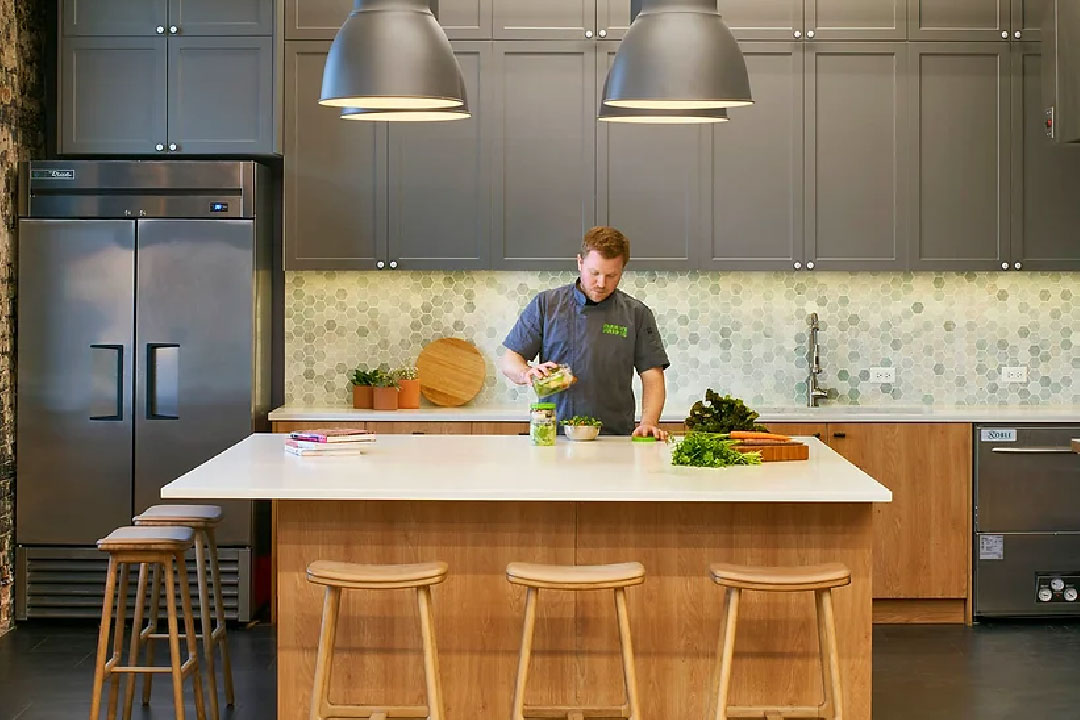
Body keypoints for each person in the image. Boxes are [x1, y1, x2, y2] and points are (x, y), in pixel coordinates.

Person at [499, 226, 670, 439]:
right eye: (594, 273)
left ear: (622, 270)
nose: (601, 283)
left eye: (611, 276)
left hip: (614, 438)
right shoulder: (546, 305)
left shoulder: (637, 313)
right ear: (580, 262)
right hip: (554, 436)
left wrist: (649, 422)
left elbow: (652, 375)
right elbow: (510, 360)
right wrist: (526, 373)